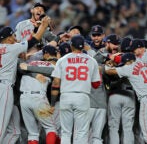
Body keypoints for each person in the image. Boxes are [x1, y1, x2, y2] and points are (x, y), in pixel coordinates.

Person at [0, 15, 50, 143]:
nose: (16, 38)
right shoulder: (12, 47)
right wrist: (44, 26)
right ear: (9, 38)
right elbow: (35, 39)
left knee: (14, 131)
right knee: (1, 128)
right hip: (4, 88)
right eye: (14, 36)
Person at [50, 35, 101, 144]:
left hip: (66, 96)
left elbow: (56, 83)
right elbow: (96, 84)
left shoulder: (62, 60)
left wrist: (53, 103)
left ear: (71, 45)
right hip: (82, 97)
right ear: (83, 46)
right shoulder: (91, 61)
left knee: (66, 132)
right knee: (82, 132)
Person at [19, 45, 60, 144]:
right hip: (38, 98)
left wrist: (30, 69)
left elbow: (21, 67)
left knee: (32, 133)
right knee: (51, 128)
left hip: (23, 98)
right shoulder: (53, 66)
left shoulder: (30, 63)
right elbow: (54, 72)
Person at [105, 52, 147, 143]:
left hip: (145, 99)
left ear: (128, 62)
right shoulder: (146, 64)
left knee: (146, 130)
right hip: (131, 95)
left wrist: (108, 62)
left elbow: (108, 71)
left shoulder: (128, 67)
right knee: (128, 127)